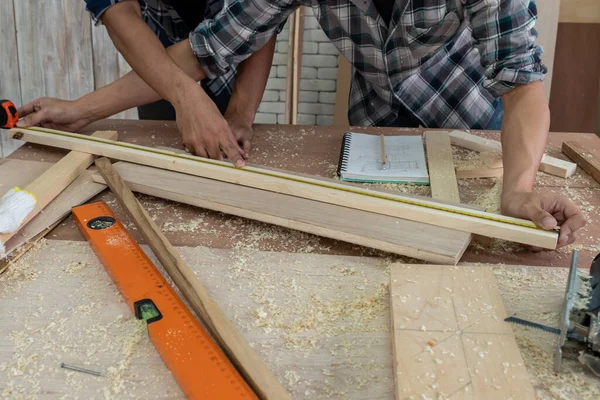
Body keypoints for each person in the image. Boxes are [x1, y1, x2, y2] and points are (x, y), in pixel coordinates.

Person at [18, 0, 586, 247]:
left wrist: (517, 189)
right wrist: (82, 110)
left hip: (471, 118)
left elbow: (523, 87)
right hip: (376, 126)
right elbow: (209, 49)